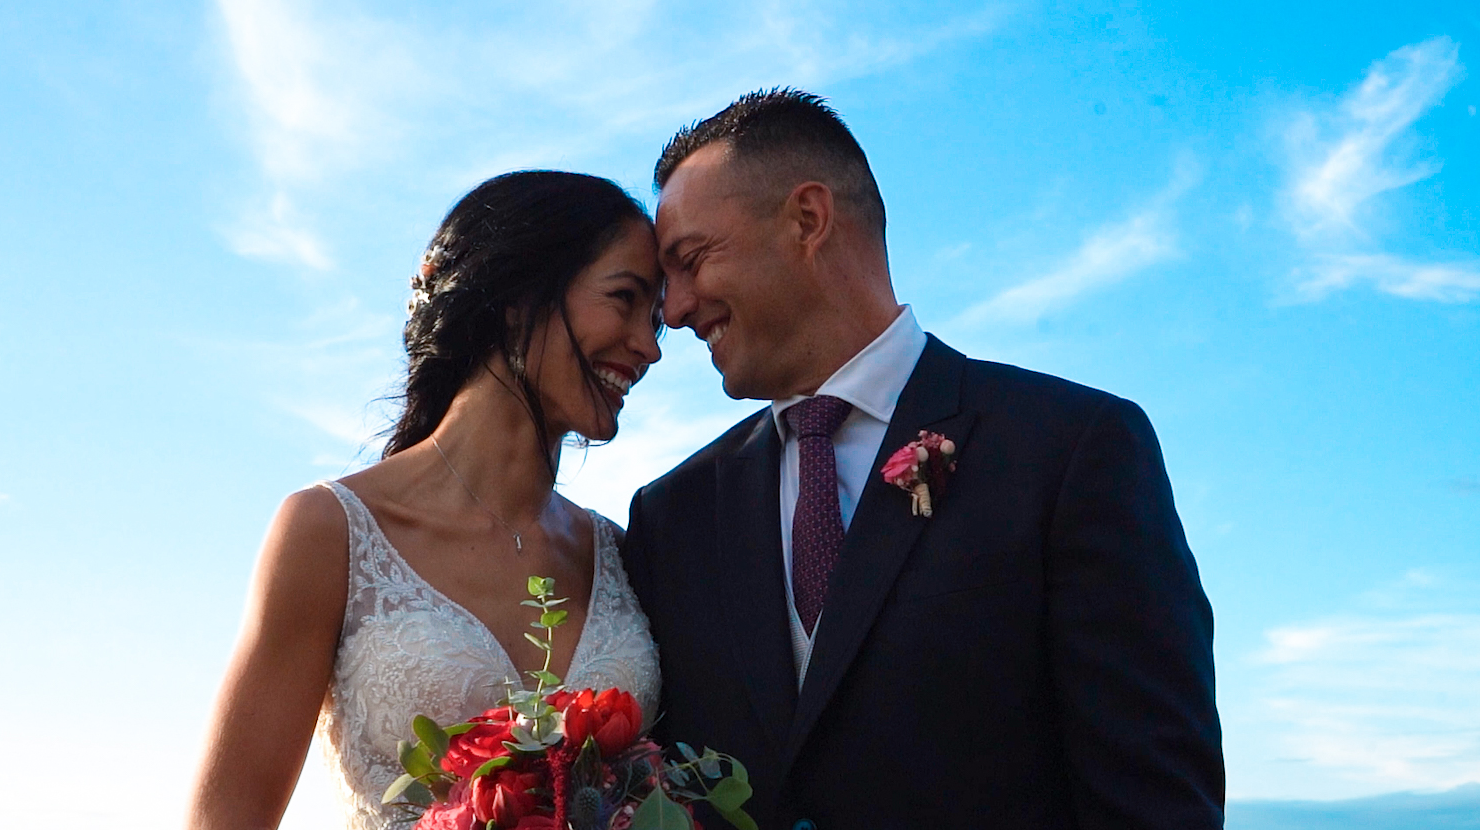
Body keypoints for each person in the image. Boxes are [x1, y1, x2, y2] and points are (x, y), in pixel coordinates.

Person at [622, 89, 1225, 830]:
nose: (675, 309)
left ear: (806, 219)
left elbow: (1151, 797)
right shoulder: (671, 512)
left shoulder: (1070, 447)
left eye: (691, 259)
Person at [187, 171, 665, 830]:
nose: (650, 346)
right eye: (625, 299)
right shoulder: (330, 531)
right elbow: (225, 817)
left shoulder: (622, 550)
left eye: (657, 318)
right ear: (516, 297)